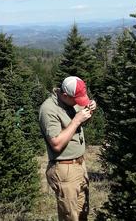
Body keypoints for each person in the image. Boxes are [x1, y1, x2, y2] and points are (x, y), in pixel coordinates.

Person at [39, 76, 97, 221]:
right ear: (65, 95)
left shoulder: (70, 101)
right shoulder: (48, 109)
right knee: (70, 217)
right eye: (76, 100)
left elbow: (81, 120)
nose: (78, 104)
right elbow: (56, 144)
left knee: (82, 212)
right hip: (64, 170)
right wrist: (76, 120)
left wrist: (89, 112)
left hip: (79, 166)